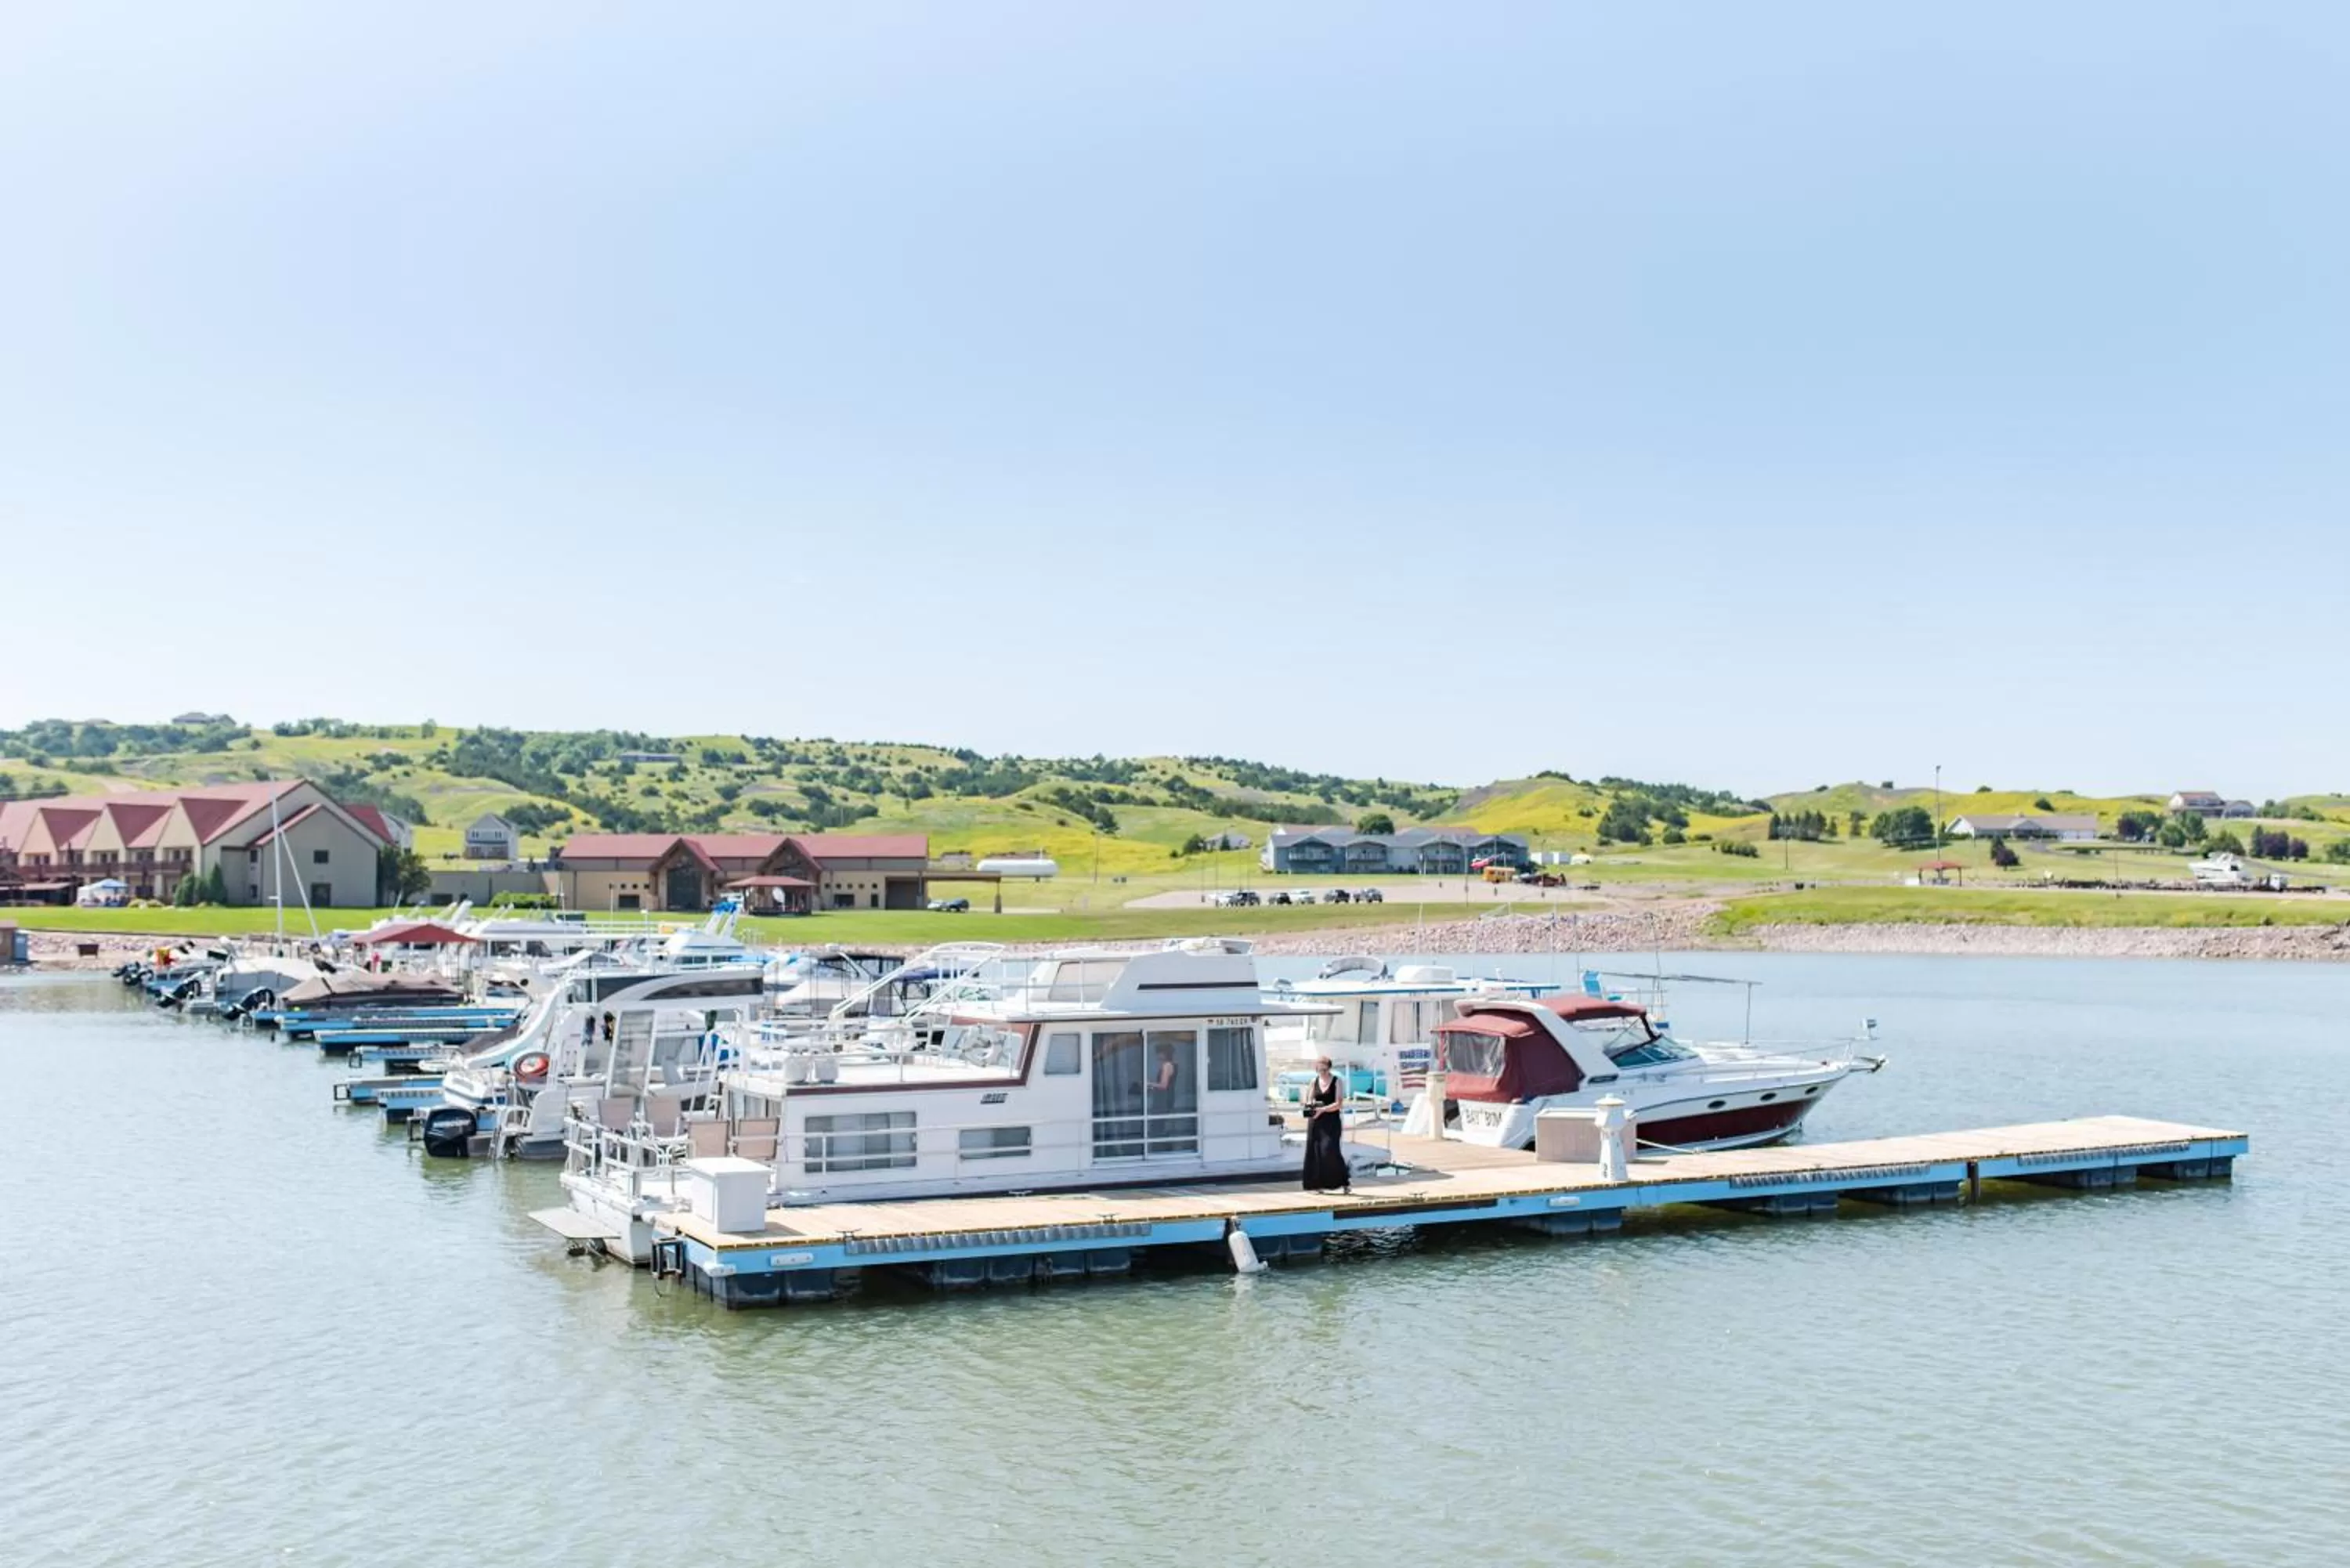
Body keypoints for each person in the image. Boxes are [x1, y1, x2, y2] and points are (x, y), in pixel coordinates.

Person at [1301, 1055, 1350, 1194]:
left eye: (1324, 1070)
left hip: (1331, 1121)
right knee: (1315, 1153)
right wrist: (1310, 1106)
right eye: (1319, 1070)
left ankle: (1344, 1181)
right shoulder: (1313, 1082)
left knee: (1330, 1150)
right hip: (1316, 1121)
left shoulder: (1336, 1081)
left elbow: (1339, 1103)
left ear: (1329, 1068)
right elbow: (1308, 1100)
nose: (1321, 1073)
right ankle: (1316, 1185)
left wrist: (1323, 1109)